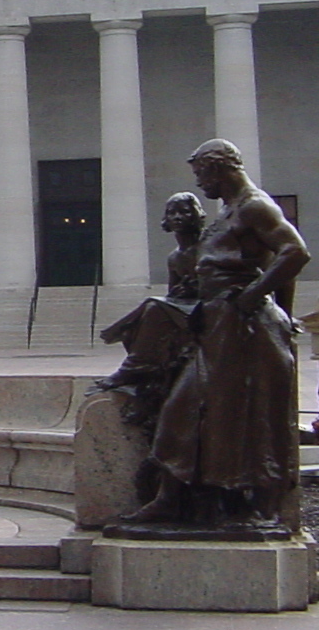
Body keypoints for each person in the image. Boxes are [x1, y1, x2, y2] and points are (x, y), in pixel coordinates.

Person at [124, 140, 309, 526]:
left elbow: (294, 252)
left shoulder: (255, 206)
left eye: (200, 175)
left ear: (217, 169)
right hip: (217, 325)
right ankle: (170, 497)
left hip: (244, 328)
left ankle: (252, 506)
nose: (199, 185)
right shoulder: (229, 212)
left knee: (237, 416)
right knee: (182, 408)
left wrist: (257, 299)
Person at [93, 192, 207, 426]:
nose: (177, 217)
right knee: (146, 317)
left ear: (196, 215)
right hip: (186, 310)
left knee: (153, 307)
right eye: (172, 213)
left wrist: (196, 288)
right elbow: (173, 293)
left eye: (184, 211)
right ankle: (138, 363)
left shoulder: (208, 248)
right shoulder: (174, 257)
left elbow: (222, 281)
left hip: (208, 310)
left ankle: (133, 366)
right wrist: (183, 291)